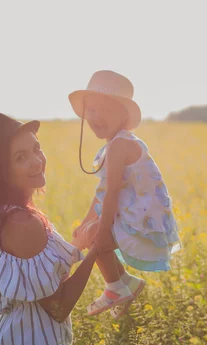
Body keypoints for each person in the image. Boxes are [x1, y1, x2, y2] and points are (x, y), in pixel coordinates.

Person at [0, 112, 110, 345]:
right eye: (20, 157)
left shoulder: (7, 213)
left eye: (36, 148)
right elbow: (57, 307)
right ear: (2, 171)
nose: (36, 160)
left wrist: (79, 244)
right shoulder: (22, 223)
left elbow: (47, 282)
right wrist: (96, 250)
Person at [68, 70, 181, 318]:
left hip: (142, 219)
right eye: (92, 111)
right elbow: (101, 194)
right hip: (132, 213)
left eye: (106, 111)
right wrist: (87, 221)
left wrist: (99, 229)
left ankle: (116, 287)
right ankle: (123, 284)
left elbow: (111, 195)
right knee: (85, 232)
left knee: (94, 235)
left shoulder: (120, 145)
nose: (96, 117)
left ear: (123, 114)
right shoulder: (112, 145)